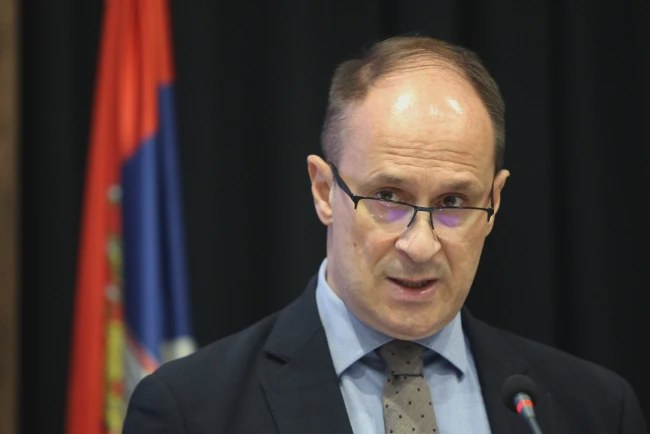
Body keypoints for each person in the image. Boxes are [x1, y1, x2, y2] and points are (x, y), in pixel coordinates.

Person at [123, 35, 647, 434]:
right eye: (389, 197)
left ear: (495, 203)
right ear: (324, 191)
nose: (420, 245)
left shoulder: (594, 409)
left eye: (453, 202)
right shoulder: (190, 411)